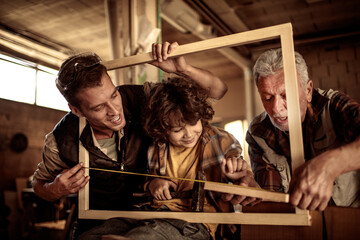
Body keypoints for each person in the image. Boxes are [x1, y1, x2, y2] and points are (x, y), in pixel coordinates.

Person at [31, 42, 228, 238]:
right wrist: (56, 189)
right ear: (76, 110)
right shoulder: (61, 140)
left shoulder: (142, 98)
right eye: (99, 107)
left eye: (114, 95)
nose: (115, 111)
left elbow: (218, 90)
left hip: (150, 214)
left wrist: (183, 69)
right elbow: (39, 185)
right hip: (98, 221)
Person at [79, 77, 261, 240]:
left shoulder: (221, 139)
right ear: (162, 129)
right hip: (149, 212)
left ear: (201, 116)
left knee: (151, 234)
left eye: (192, 123)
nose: (188, 134)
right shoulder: (157, 146)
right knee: (95, 233)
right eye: (177, 130)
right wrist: (153, 184)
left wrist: (239, 171)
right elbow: (148, 179)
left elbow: (243, 172)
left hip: (194, 222)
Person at [246, 48, 360, 211]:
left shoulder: (333, 106)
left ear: (308, 91)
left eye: (285, 95)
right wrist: (253, 190)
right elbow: (273, 199)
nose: (276, 108)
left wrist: (332, 164)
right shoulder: (258, 133)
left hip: (349, 221)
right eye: (267, 98)